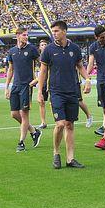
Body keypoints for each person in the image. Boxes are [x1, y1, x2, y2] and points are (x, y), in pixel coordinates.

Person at [37, 20, 89, 169]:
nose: (54, 34)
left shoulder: (75, 48)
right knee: (60, 124)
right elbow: (43, 71)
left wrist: (88, 79)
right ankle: (56, 153)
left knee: (70, 125)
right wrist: (40, 91)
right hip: (56, 92)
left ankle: (70, 158)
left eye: (56, 31)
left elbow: (80, 66)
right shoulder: (48, 50)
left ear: (64, 31)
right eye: (53, 31)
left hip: (72, 90)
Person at [4, 27, 42, 152]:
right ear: (18, 36)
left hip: (27, 86)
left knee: (24, 114)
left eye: (27, 35)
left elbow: (44, 65)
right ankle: (34, 131)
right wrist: (7, 87)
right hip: (15, 85)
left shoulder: (32, 50)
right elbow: (10, 70)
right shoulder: (12, 51)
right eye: (24, 35)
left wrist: (36, 80)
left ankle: (21, 142)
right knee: (14, 114)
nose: (26, 37)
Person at [32, 39, 50, 130]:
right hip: (42, 83)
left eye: (45, 44)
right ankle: (43, 122)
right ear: (39, 47)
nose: (44, 46)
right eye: (42, 45)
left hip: (50, 82)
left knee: (54, 103)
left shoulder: (50, 56)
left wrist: (36, 80)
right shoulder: (38, 59)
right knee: (41, 102)